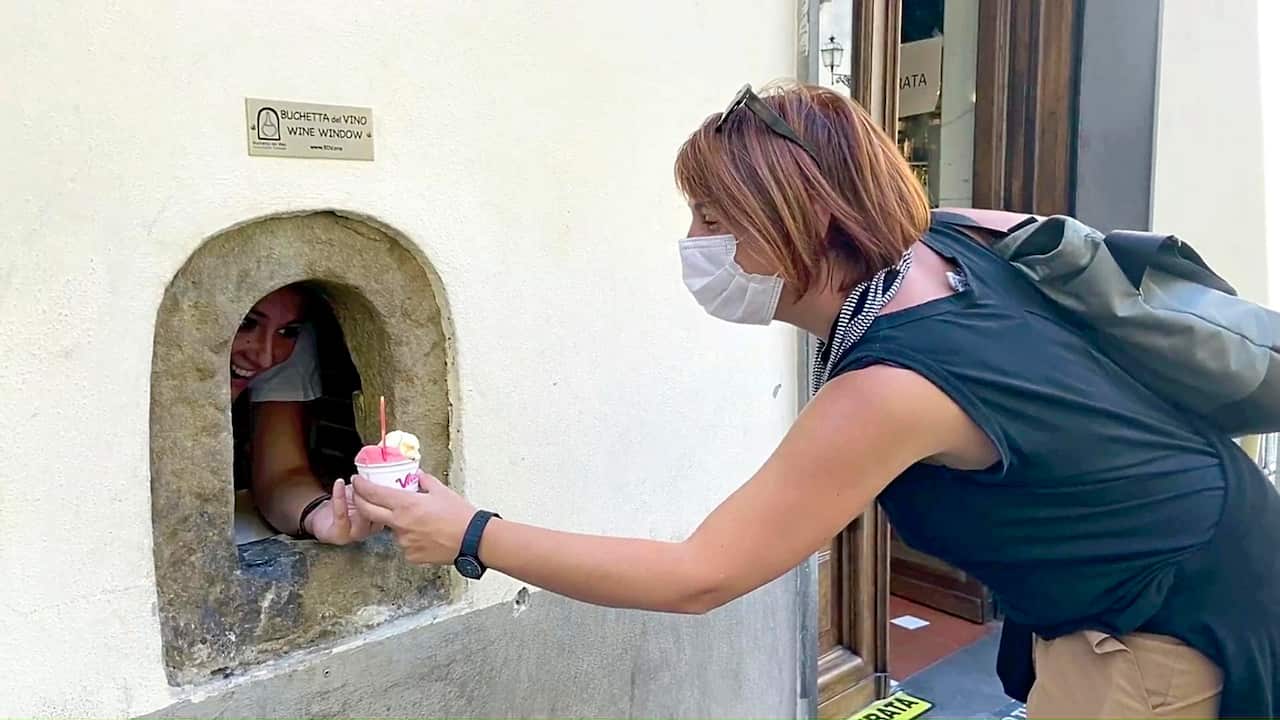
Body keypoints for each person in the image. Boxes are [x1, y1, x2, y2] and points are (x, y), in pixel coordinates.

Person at [352, 84, 1280, 718]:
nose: (694, 243)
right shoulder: (952, 240)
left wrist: (469, 532)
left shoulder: (893, 387)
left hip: (1160, 630)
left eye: (715, 219)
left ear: (809, 217)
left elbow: (701, 575)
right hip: (1202, 552)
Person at [231, 284, 380, 545]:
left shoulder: (288, 350)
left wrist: (322, 515)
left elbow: (282, 472)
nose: (265, 357)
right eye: (246, 322)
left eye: (287, 331)